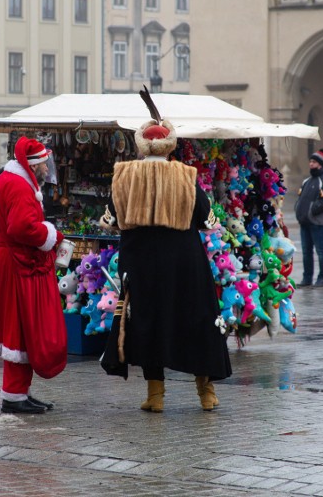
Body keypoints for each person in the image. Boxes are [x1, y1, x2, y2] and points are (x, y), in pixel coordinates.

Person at [99, 89, 232, 413]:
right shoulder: (186, 176)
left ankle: (156, 395)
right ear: (170, 143)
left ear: (142, 144)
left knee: (149, 321)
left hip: (142, 260)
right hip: (184, 260)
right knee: (196, 319)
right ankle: (206, 392)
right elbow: (207, 220)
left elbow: (110, 221)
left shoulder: (125, 175)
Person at [0, 137, 67, 414]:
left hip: (8, 259)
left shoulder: (4, 180)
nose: (45, 170)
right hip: (20, 264)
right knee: (19, 330)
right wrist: (53, 235)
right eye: (43, 164)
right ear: (34, 164)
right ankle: (14, 397)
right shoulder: (19, 186)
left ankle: (19, 393)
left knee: (18, 330)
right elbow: (22, 227)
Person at [293, 148, 323, 288]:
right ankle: (307, 278)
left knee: (321, 251)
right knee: (306, 252)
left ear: (320, 164)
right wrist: (298, 210)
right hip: (304, 222)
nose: (311, 164)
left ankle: (322, 278)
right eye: (310, 161)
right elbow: (300, 198)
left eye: (314, 162)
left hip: (317, 222)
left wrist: (311, 211)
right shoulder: (307, 181)